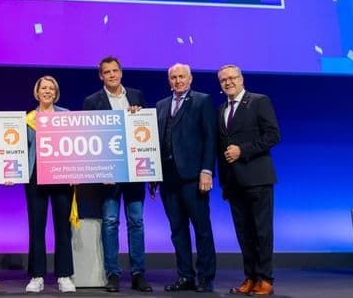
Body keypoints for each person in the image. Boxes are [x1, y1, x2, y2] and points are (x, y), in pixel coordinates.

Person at [81, 57, 152, 293]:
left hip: (134, 170)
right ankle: (112, 274)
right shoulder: (91, 101)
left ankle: (138, 273)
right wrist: (101, 169)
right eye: (107, 72)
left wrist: (138, 114)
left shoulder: (136, 95)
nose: (112, 75)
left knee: (137, 222)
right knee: (110, 223)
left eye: (115, 71)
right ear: (101, 76)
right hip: (109, 173)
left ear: (121, 72)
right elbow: (90, 139)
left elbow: (146, 132)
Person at [150, 63, 217, 293]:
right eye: (173, 77)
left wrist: (207, 170)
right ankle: (185, 276)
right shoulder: (160, 105)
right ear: (169, 81)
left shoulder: (202, 101)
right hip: (168, 178)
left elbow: (210, 139)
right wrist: (153, 177)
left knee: (201, 229)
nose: (178, 81)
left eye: (182, 77)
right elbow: (155, 143)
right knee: (177, 230)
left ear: (190, 79)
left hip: (193, 176)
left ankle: (206, 278)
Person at [216, 65, 280, 297]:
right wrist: (224, 183)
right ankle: (250, 277)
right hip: (234, 183)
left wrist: (243, 151)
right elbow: (220, 150)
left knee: (261, 232)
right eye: (223, 79)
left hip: (258, 178)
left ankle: (265, 278)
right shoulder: (221, 109)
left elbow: (273, 135)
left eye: (232, 78)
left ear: (242, 79)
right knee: (243, 233)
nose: (228, 82)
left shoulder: (259, 101)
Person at [24, 76, 76, 293]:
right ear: (37, 93)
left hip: (61, 176)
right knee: (36, 228)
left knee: (63, 228)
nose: (47, 91)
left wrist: (77, 171)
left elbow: (75, 146)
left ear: (56, 93)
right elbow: (18, 150)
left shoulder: (67, 116)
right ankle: (37, 276)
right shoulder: (27, 119)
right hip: (35, 176)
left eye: (51, 88)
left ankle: (64, 275)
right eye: (43, 88)